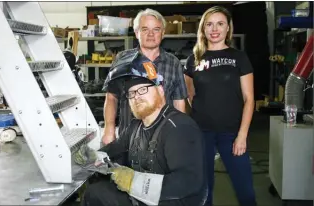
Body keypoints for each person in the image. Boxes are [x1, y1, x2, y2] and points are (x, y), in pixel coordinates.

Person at [74, 53, 207, 206]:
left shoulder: (179, 128)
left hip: (172, 201)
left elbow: (189, 182)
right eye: (131, 93)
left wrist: (133, 182)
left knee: (96, 194)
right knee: (96, 187)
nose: (137, 97)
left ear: (160, 90)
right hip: (144, 199)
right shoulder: (135, 127)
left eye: (143, 89)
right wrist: (92, 157)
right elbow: (114, 151)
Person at [183, 6, 256, 206]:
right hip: (201, 132)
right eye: (209, 24)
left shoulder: (239, 57)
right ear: (203, 29)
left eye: (220, 24)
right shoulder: (193, 60)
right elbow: (190, 95)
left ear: (227, 29)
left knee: (246, 192)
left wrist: (242, 135)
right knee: (204, 192)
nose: (215, 29)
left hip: (232, 133)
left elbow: (250, 99)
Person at [102, 8, 188, 146]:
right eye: (145, 29)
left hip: (165, 138)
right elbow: (111, 97)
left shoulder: (173, 62)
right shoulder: (122, 60)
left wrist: (181, 131)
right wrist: (109, 129)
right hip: (129, 138)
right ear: (136, 33)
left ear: (163, 33)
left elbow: (179, 101)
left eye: (156, 29)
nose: (150, 34)